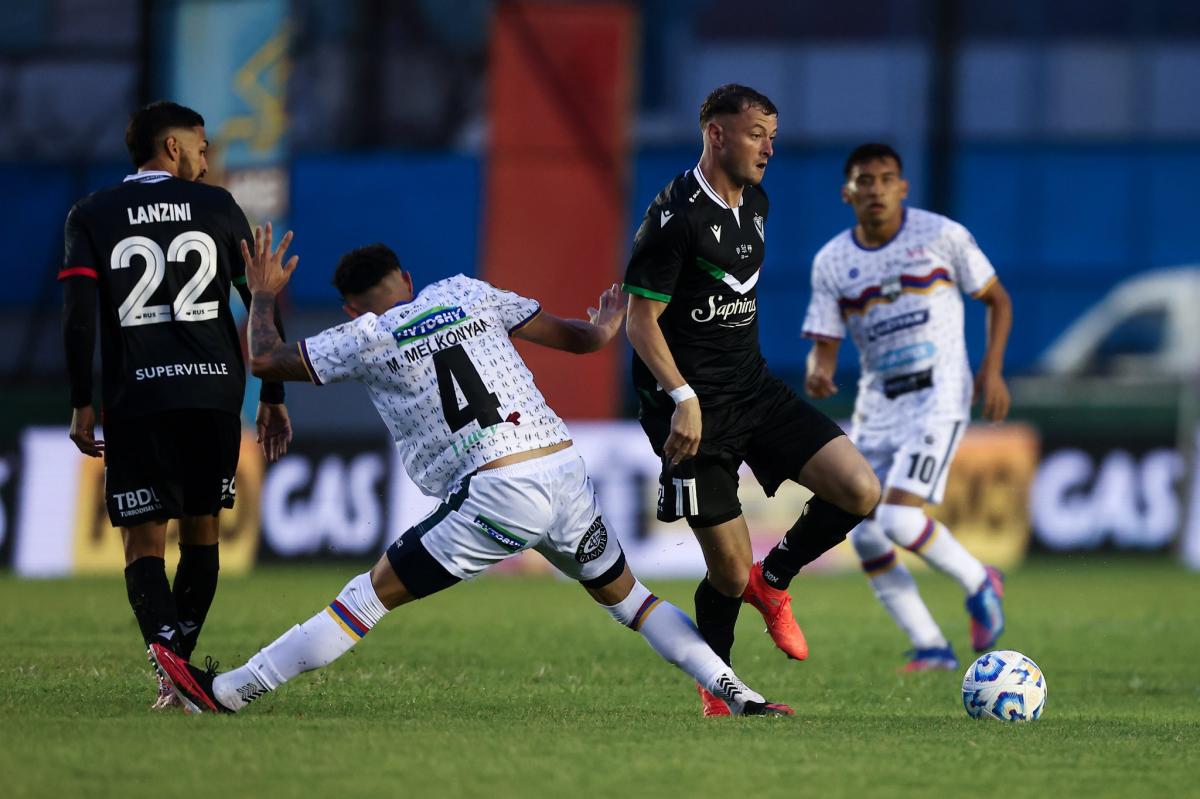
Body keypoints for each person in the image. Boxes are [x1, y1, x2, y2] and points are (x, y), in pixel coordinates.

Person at [150, 231, 793, 717]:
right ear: (407, 276)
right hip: (562, 470)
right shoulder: (466, 292)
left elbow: (263, 357)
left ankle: (230, 691)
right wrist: (608, 318)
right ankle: (740, 695)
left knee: (365, 599)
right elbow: (585, 339)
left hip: (496, 491)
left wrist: (261, 293)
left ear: (350, 309)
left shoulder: (367, 336)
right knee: (633, 600)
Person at [622, 84, 881, 716]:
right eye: (756, 133)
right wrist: (682, 396)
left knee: (859, 490)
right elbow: (639, 322)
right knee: (728, 575)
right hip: (690, 412)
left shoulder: (757, 202)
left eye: (772, 134)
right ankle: (720, 688)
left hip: (753, 388)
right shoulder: (674, 216)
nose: (769, 147)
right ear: (716, 134)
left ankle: (779, 577)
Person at [60, 101, 293, 708]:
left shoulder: (92, 214)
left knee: (143, 545)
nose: (206, 157)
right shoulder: (217, 206)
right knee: (203, 534)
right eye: (201, 145)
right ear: (171, 148)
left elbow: (78, 316)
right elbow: (260, 298)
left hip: (137, 397)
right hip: (213, 393)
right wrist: (271, 389)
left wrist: (82, 403)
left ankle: (171, 669)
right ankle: (180, 672)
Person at [802, 143, 1012, 671]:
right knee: (864, 529)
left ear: (903, 187)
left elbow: (998, 299)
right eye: (864, 181)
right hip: (877, 406)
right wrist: (818, 369)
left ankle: (978, 579)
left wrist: (991, 369)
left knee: (896, 517)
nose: (875, 189)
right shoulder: (832, 260)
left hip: (937, 395)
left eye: (886, 178)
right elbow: (824, 343)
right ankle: (931, 646)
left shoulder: (941, 235)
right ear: (847, 192)